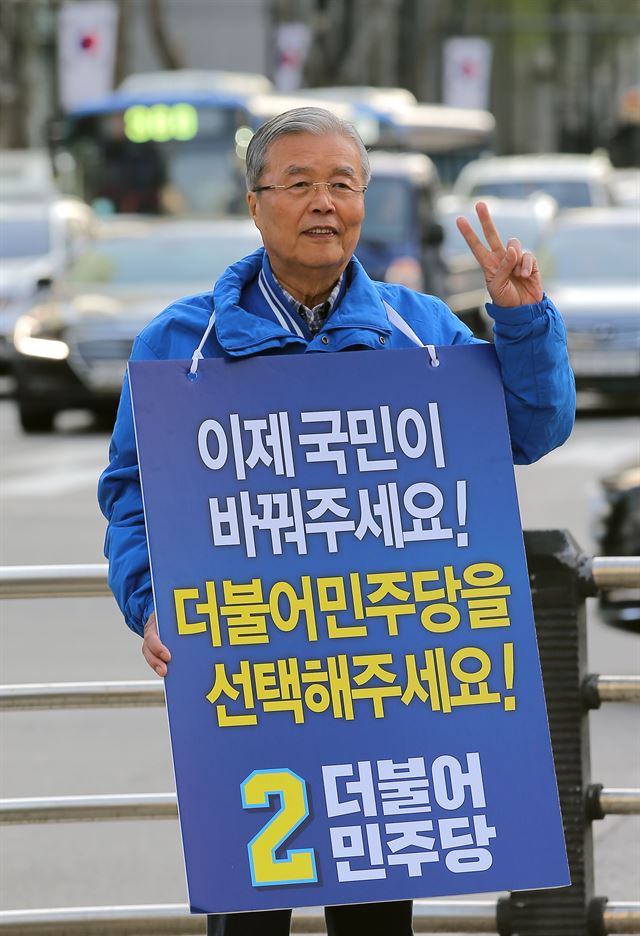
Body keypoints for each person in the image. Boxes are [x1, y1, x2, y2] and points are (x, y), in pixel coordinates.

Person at [98, 107, 575, 936]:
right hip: (252, 680)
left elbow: (532, 432)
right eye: (300, 184)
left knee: (376, 917)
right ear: (255, 204)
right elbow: (132, 494)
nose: (326, 204)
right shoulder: (181, 342)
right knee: (248, 914)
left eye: (344, 185)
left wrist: (523, 319)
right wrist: (152, 602)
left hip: (379, 686)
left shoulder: (417, 329)